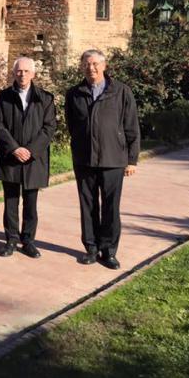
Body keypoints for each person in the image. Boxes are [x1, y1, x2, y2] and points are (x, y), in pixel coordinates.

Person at [65, 49, 140, 270]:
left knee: (110, 207)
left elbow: (131, 126)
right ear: (82, 67)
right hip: (84, 159)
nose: (92, 68)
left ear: (104, 66)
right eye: (87, 64)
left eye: (96, 64)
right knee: (87, 205)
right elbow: (72, 125)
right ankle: (90, 248)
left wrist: (132, 160)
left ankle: (108, 251)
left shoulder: (121, 91)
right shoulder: (74, 93)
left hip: (113, 158)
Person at [0, 57, 56, 258]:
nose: (22, 75)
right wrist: (14, 148)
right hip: (11, 158)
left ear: (33, 74)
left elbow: (49, 128)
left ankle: (28, 241)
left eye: (26, 71)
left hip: (33, 159)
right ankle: (11, 240)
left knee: (31, 203)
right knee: (10, 203)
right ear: (14, 73)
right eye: (19, 71)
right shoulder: (3, 97)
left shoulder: (45, 98)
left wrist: (30, 150)